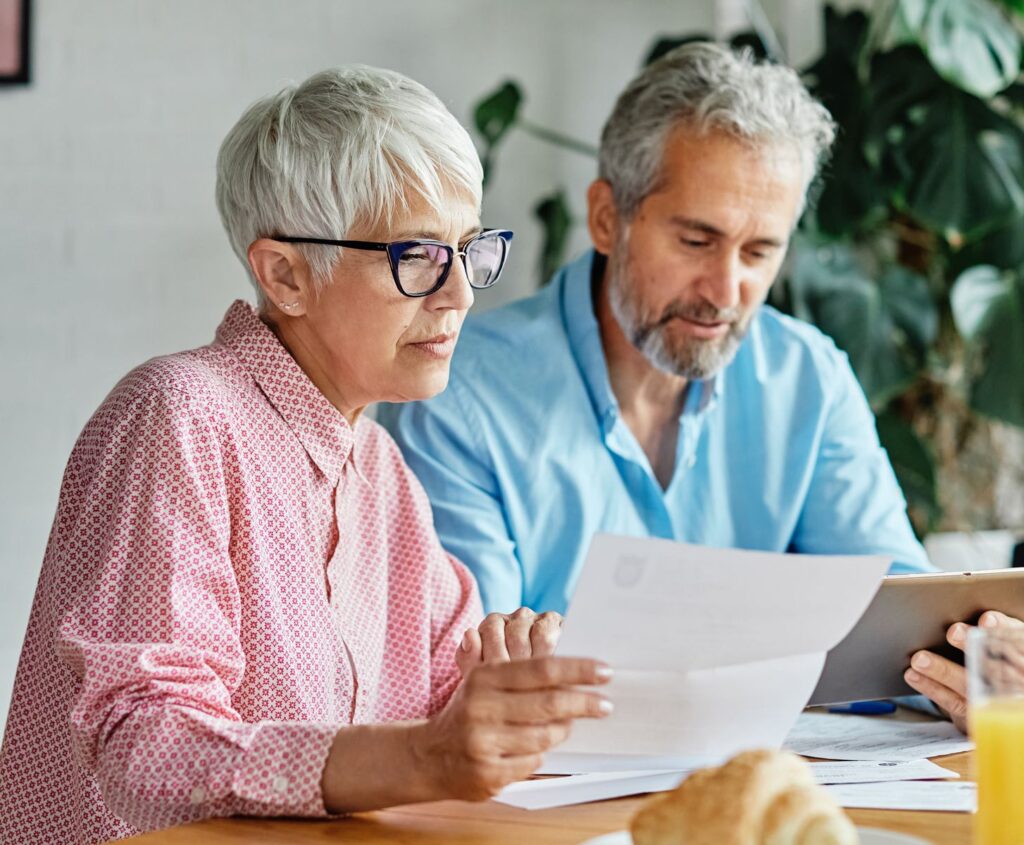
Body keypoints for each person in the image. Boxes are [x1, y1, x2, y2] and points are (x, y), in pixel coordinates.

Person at [0, 67, 611, 845]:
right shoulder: (178, 414)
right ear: (284, 273)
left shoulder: (382, 468)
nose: (459, 294)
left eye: (467, 249)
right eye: (418, 255)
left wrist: (507, 689)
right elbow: (144, 740)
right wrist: (425, 754)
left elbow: (439, 693)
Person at [381, 43, 1021, 732]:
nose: (725, 292)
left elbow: (908, 620)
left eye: (759, 252)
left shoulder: (808, 376)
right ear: (606, 218)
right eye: (696, 241)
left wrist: (975, 668)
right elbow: (467, 673)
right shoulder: (457, 395)